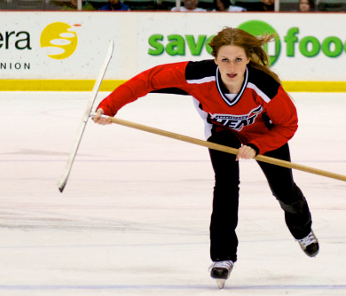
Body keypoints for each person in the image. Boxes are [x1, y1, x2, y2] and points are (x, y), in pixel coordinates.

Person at [92, 27, 319, 285]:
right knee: (225, 186)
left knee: (283, 189)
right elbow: (148, 79)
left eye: (237, 60)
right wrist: (108, 107)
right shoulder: (197, 75)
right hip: (223, 135)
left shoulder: (264, 86)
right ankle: (222, 257)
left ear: (247, 59)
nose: (231, 66)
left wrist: (257, 146)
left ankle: (302, 231)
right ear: (215, 60)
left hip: (265, 134)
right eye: (224, 60)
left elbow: (287, 125)